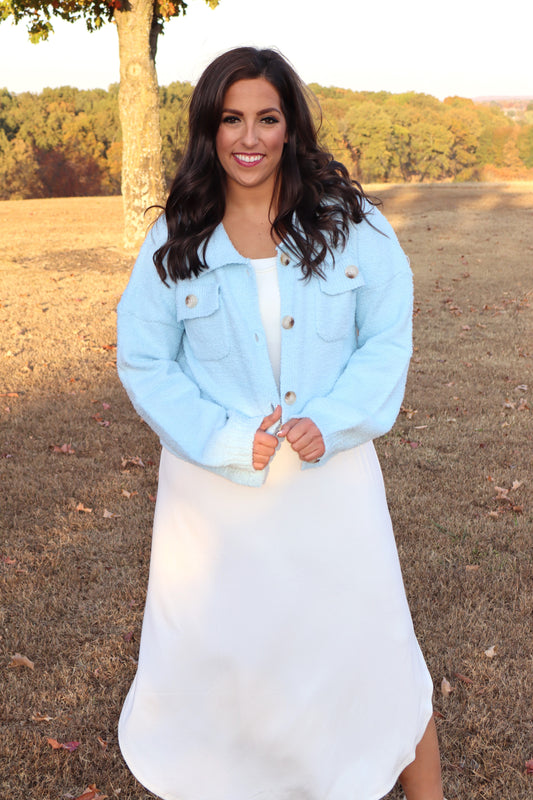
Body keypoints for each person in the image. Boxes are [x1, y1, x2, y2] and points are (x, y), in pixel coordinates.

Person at [116, 46, 444, 800]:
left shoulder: (352, 225)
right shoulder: (177, 237)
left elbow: (385, 339)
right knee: (230, 666)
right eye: (231, 119)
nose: (249, 137)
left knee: (376, 653)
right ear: (208, 129)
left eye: (267, 117)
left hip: (331, 486)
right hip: (215, 499)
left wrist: (328, 420)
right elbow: (145, 360)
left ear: (292, 128)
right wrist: (228, 439)